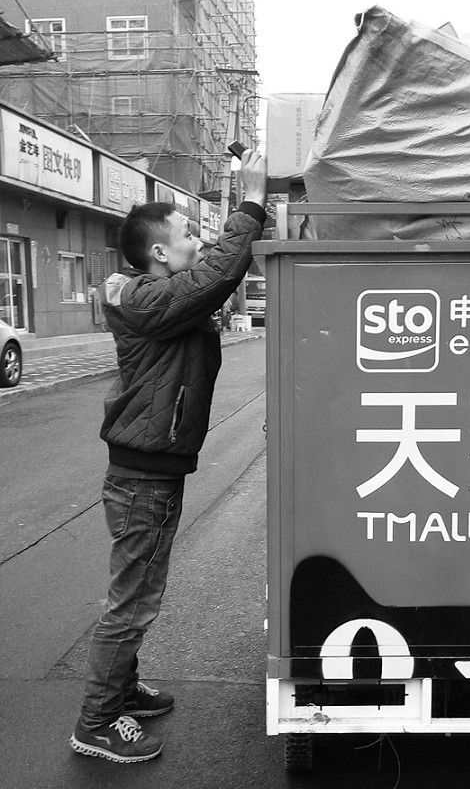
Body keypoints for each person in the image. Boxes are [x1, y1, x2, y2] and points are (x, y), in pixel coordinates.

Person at [69, 149, 268, 763]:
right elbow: (213, 278)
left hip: (148, 471)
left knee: (136, 591)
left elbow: (210, 283)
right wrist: (252, 203)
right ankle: (97, 722)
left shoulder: (155, 296)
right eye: (187, 232)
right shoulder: (147, 299)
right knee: (133, 600)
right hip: (142, 478)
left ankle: (122, 689)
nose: (197, 239)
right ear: (159, 250)